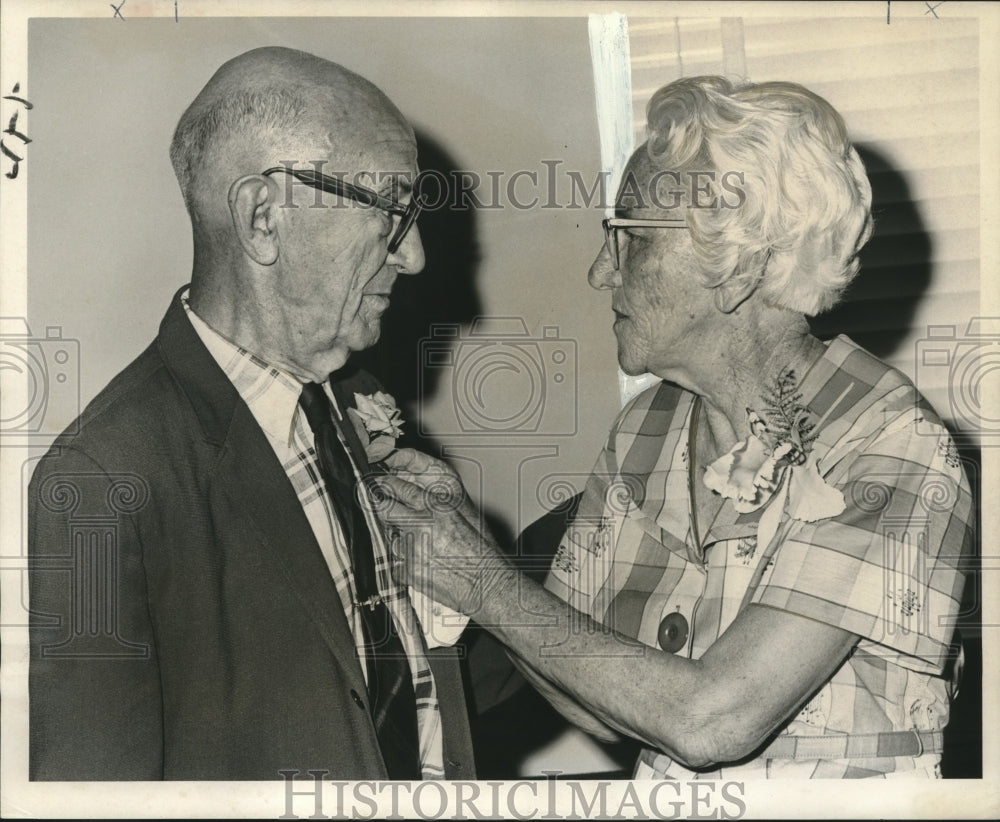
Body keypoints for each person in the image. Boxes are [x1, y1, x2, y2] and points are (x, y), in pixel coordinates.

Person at [377, 76, 974, 779]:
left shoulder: (890, 446)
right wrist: (467, 548)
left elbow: (714, 719)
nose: (603, 271)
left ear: (738, 268)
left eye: (627, 238)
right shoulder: (645, 431)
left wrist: (480, 580)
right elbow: (595, 698)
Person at [28, 46, 474, 781]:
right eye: (392, 211)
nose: (416, 255)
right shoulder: (104, 482)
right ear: (263, 217)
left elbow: (408, 688)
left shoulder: (357, 403)